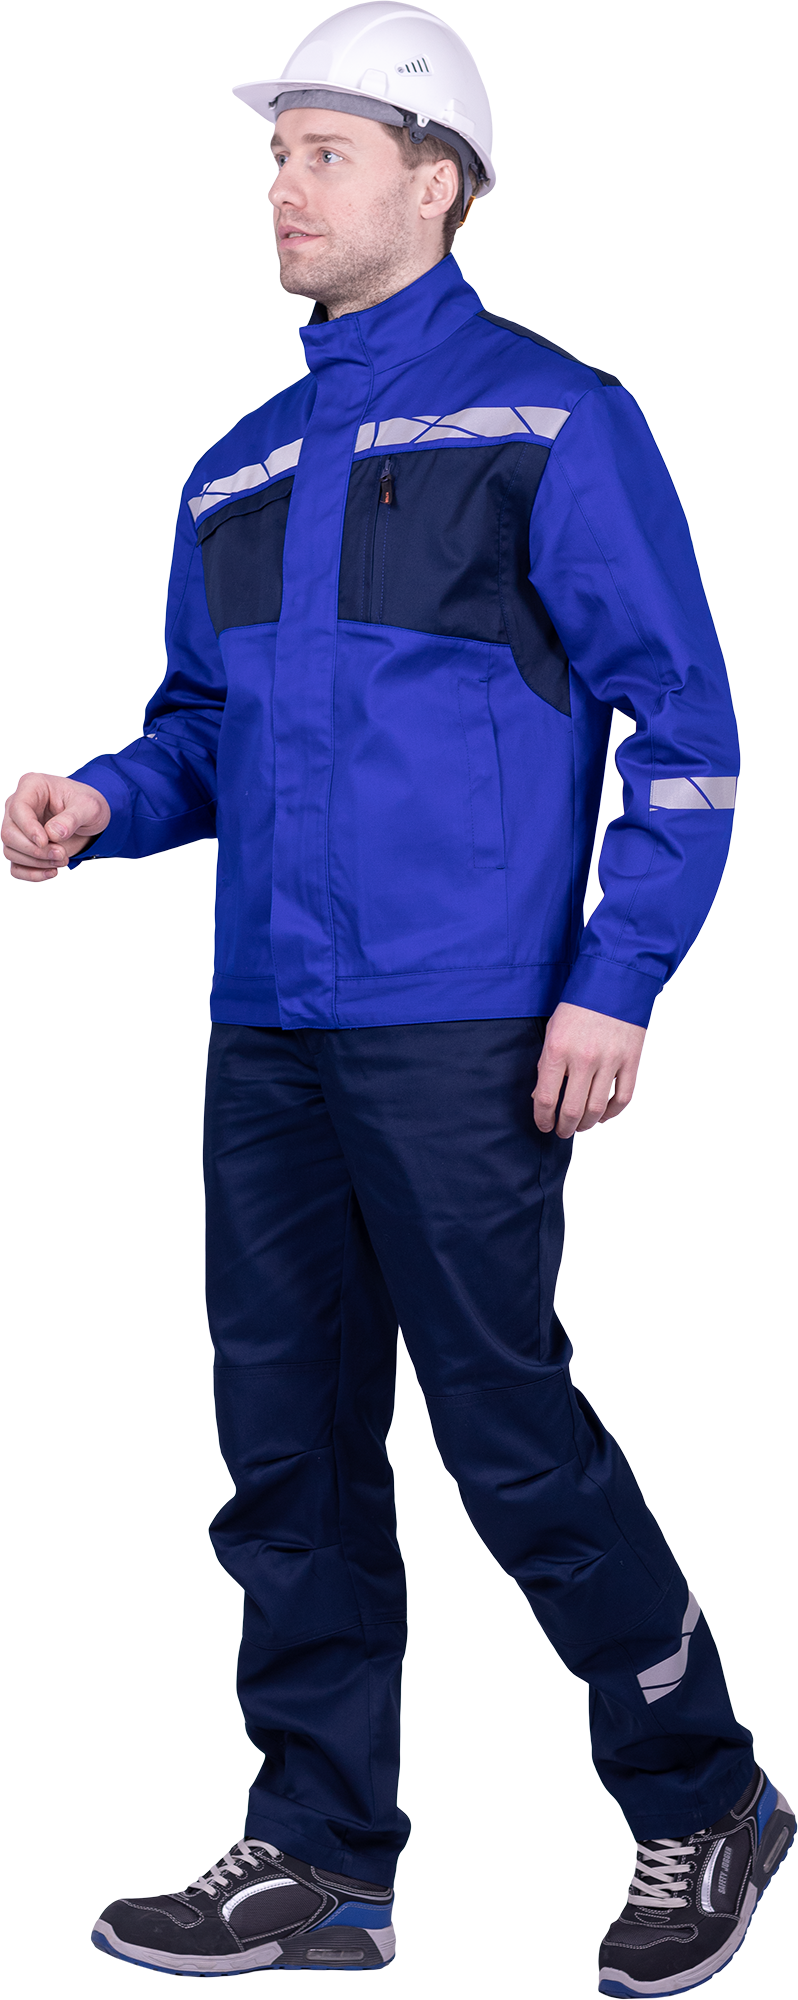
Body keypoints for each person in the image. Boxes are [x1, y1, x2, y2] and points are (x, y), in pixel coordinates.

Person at [3, 4, 792, 1991]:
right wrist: (105, 797)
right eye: (275, 156)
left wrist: (616, 978)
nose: (282, 189)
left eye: (324, 153)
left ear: (432, 185)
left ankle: (706, 1793)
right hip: (271, 1019)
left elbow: (686, 726)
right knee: (287, 1445)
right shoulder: (243, 466)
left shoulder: (554, 418)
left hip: (466, 1021)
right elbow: (209, 726)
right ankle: (318, 1850)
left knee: (508, 1431)